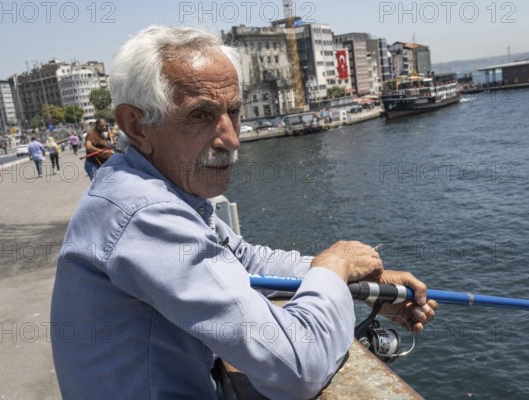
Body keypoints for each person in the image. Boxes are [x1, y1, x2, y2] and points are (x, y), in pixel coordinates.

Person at [50, 25, 438, 399]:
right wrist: (333, 269)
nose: (232, 139)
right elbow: (299, 366)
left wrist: (363, 285)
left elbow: (246, 262)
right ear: (136, 125)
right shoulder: (143, 213)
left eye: (233, 111)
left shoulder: (156, 186)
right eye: (200, 115)